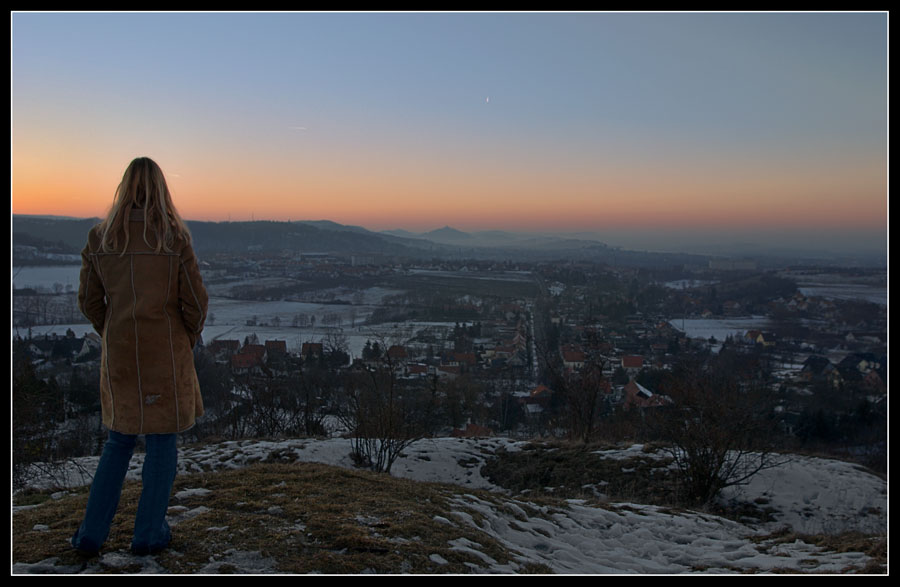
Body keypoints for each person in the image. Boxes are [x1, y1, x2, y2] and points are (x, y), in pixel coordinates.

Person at [72, 156, 208, 556]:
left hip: (121, 357)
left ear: (123, 188)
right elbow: (195, 304)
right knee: (163, 441)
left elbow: (89, 302)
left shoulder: (100, 239)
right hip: (164, 354)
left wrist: (112, 332)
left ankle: (90, 535)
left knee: (118, 441)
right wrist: (186, 337)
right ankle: (148, 533)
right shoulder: (173, 240)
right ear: (162, 190)